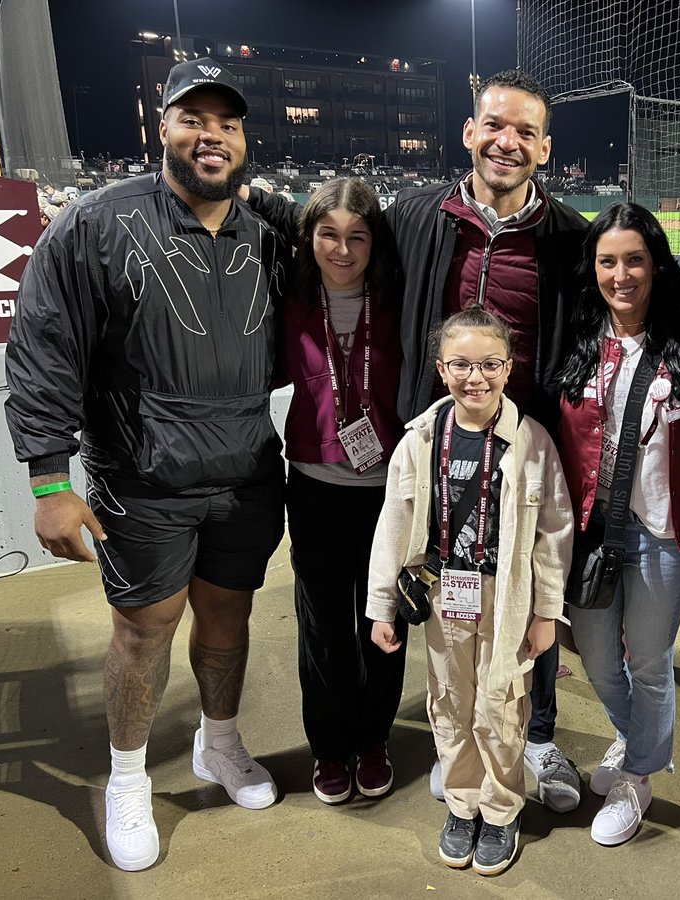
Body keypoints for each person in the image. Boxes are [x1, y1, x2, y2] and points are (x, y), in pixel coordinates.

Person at [4, 57, 286, 872]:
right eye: (193, 119)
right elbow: (43, 351)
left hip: (244, 474)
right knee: (143, 632)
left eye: (227, 123)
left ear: (242, 140)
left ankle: (219, 744)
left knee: (228, 622)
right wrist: (51, 481)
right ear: (160, 128)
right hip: (142, 480)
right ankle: (127, 777)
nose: (212, 136)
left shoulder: (269, 230)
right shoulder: (94, 225)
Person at [385, 68, 588, 812]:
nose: (507, 141)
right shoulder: (415, 216)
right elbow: (330, 246)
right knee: (452, 601)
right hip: (441, 451)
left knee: (529, 598)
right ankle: (465, 742)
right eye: (494, 126)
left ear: (544, 147)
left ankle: (535, 736)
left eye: (524, 132)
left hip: (526, 453)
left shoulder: (569, 238)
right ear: (469, 133)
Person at [366, 307, 573, 876]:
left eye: (488, 364)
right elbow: (394, 521)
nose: (474, 377)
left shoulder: (532, 443)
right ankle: (463, 803)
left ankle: (502, 809)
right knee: (452, 705)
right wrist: (383, 603)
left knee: (500, 705)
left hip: (507, 599)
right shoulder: (420, 441)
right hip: (442, 595)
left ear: (509, 368)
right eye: (461, 364)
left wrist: (547, 613)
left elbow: (554, 532)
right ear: (441, 368)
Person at [250, 177, 408, 802]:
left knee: (385, 619)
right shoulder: (289, 302)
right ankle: (330, 748)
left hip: (387, 491)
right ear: (308, 238)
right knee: (323, 628)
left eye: (357, 237)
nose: (342, 250)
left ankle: (374, 739)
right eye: (328, 235)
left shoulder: (397, 303)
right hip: (314, 487)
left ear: (375, 244)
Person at [556, 203, 680, 845]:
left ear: (656, 265)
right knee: (596, 656)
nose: (622, 275)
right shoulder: (579, 343)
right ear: (593, 270)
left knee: (648, 662)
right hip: (593, 532)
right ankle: (637, 736)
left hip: (664, 533)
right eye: (608, 261)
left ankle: (640, 775)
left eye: (635, 260)